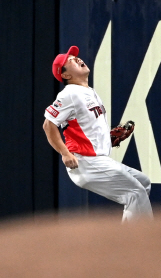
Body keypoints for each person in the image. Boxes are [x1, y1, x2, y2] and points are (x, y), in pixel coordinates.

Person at [43, 45, 153, 221]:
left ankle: (129, 240)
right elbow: (48, 125)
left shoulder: (89, 92)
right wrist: (64, 153)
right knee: (134, 192)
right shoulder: (69, 94)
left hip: (98, 159)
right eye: (70, 60)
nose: (77, 59)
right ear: (65, 75)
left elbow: (86, 129)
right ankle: (139, 244)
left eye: (75, 57)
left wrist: (108, 139)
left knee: (143, 183)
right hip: (84, 161)